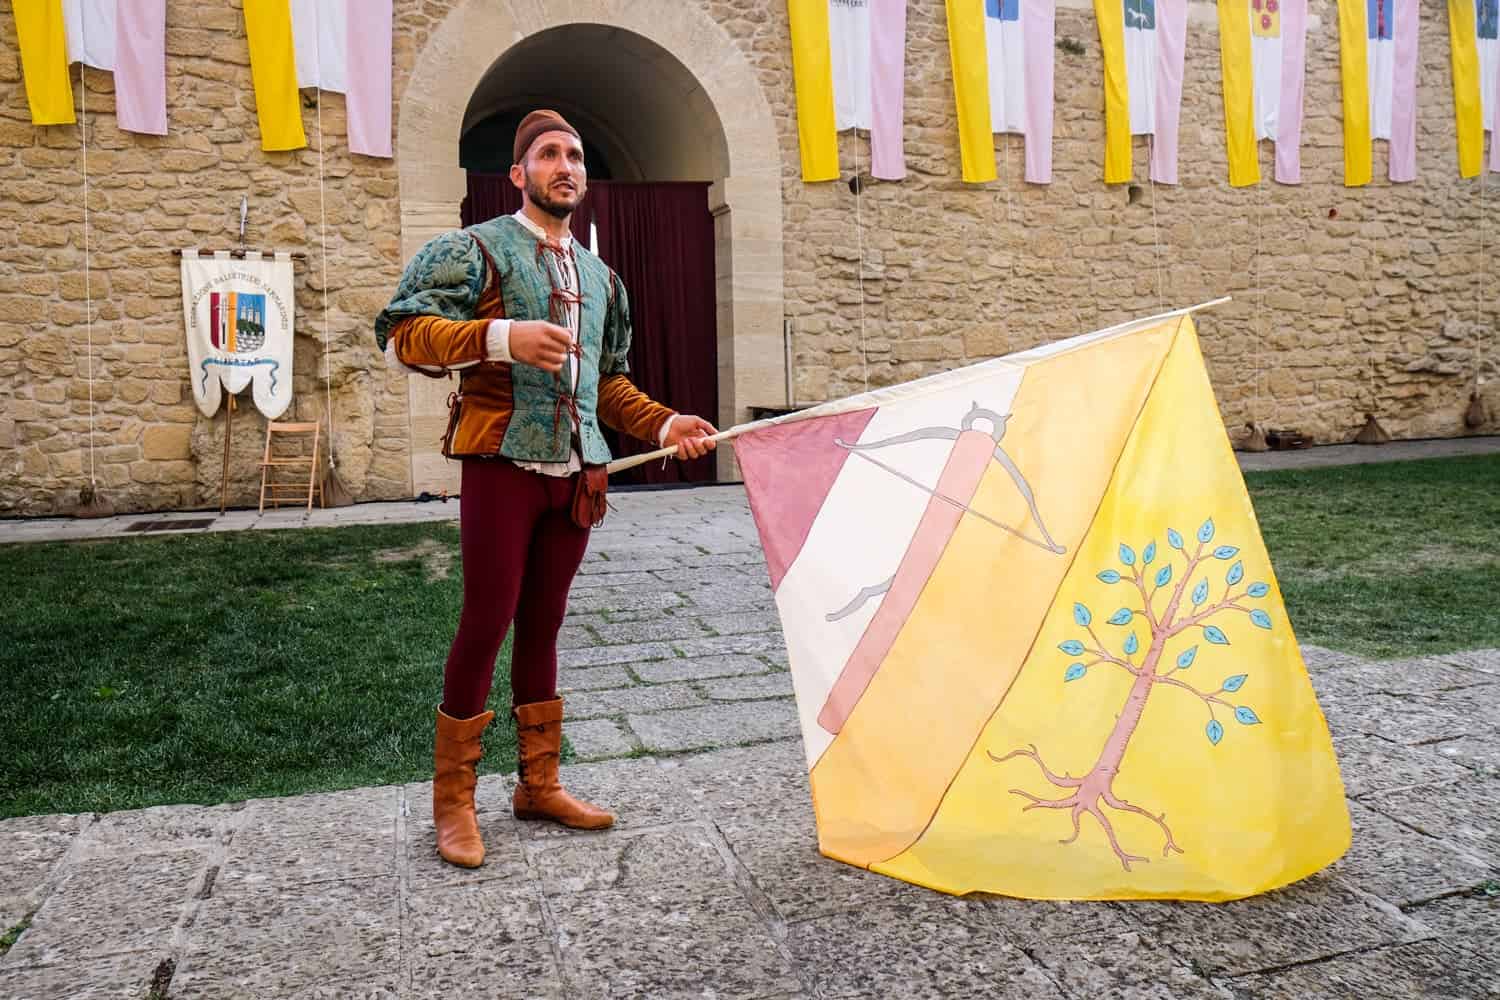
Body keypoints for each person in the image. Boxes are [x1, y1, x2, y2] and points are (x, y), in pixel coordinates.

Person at [373, 109, 717, 868]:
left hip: (579, 474)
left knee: (545, 625)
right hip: (502, 463)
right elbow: (405, 333)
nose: (566, 165)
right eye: (550, 155)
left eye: (576, 156)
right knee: (486, 622)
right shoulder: (476, 250)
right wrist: (502, 338)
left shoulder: (602, 278)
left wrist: (663, 426)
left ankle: (538, 784)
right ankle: (454, 803)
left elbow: (608, 382)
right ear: (519, 174)